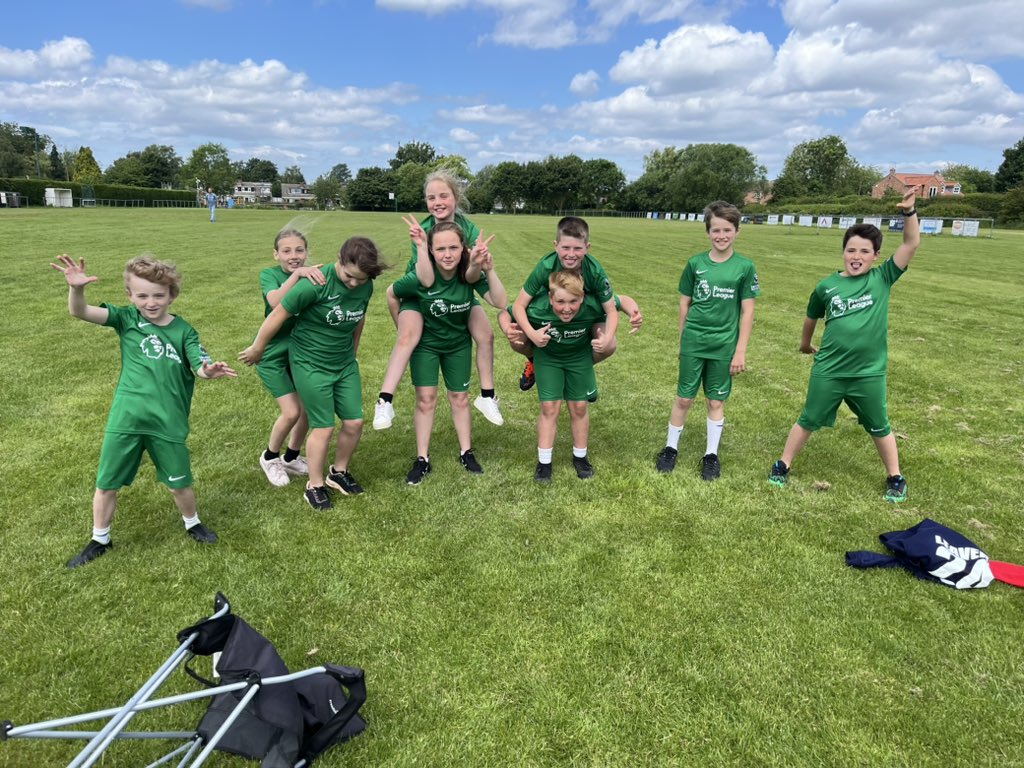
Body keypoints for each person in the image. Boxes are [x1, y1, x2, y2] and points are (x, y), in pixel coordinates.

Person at [51, 254, 237, 569]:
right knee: (106, 482)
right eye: (142, 295)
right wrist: (77, 289)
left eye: (158, 295)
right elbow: (79, 311)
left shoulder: (184, 331)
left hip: (167, 421)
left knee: (179, 483)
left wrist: (209, 370)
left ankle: (192, 523)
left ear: (171, 295)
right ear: (130, 296)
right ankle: (100, 538)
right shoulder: (125, 319)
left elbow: (199, 364)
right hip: (126, 418)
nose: (150, 302)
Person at [769, 191, 920, 502]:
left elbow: (910, 243)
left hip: (868, 373)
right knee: (808, 418)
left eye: (865, 251)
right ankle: (783, 465)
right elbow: (812, 316)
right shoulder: (827, 286)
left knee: (880, 425)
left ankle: (895, 476)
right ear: (843, 253)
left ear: (876, 255)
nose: (857, 256)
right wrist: (805, 344)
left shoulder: (883, 277)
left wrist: (910, 212)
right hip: (830, 370)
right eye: (851, 249)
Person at [239, 237, 384, 510]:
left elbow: (358, 316)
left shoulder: (366, 285)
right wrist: (258, 348)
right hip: (310, 364)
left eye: (360, 280)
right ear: (339, 261)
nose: (354, 283)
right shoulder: (315, 283)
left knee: (354, 422)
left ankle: (338, 473)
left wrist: (353, 352)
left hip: (343, 364)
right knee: (324, 425)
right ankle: (314, 485)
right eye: (349, 276)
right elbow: (278, 313)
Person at [373, 169, 504, 431]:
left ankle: (487, 396)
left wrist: (480, 263)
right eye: (431, 198)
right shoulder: (422, 229)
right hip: (422, 287)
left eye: (443, 195)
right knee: (408, 337)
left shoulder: (469, 228)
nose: (437, 202)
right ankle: (385, 401)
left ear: (455, 197)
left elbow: (469, 274)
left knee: (486, 335)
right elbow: (427, 278)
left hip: (457, 286)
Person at [393, 217, 506, 485]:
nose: (447, 254)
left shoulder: (467, 273)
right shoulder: (422, 273)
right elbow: (393, 294)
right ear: (431, 250)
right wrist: (404, 328)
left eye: (453, 248)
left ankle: (466, 452)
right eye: (441, 249)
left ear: (463, 249)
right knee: (426, 399)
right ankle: (422, 458)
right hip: (427, 345)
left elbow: (500, 301)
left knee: (460, 397)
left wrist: (489, 269)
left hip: (457, 344)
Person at [655, 201, 760, 480]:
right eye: (716, 230)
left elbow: (748, 310)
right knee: (684, 398)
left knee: (715, 401)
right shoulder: (695, 264)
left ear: (737, 231)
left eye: (727, 230)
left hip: (724, 344)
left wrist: (740, 351)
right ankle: (670, 448)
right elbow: (684, 304)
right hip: (694, 340)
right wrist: (682, 341)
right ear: (707, 232)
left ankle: (711, 455)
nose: (721, 235)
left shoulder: (745, 267)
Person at [517, 270, 641, 483]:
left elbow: (623, 300)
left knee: (580, 407)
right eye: (561, 302)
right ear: (550, 298)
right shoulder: (538, 307)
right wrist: (518, 331)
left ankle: (580, 457)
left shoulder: (592, 304)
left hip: (578, 358)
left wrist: (634, 313)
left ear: (582, 298)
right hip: (548, 358)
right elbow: (506, 312)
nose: (567, 308)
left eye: (573, 301)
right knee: (549, 408)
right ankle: (544, 463)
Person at [504, 216, 632, 389]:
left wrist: (607, 337)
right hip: (553, 312)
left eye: (577, 248)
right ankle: (536, 362)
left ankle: (577, 369)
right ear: (555, 245)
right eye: (565, 247)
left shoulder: (595, 272)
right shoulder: (546, 266)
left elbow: (611, 310)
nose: (571, 254)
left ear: (587, 248)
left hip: (585, 314)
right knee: (517, 339)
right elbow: (519, 305)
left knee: (610, 345)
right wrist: (532, 334)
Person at [253, 228, 324, 487]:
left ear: (306, 252)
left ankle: (292, 457)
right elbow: (275, 302)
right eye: (286, 251)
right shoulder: (269, 275)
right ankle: (270, 457)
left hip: (302, 353)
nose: (293, 256)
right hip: (272, 355)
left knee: (306, 411)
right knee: (292, 411)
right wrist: (297, 275)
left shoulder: (314, 275)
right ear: (276, 254)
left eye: (299, 250)